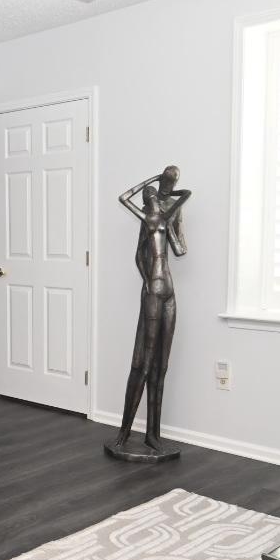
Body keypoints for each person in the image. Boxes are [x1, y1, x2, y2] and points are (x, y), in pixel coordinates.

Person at [109, 165, 190, 458]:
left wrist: (174, 223)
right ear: (147, 200)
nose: (157, 196)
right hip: (153, 291)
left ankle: (153, 436)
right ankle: (124, 432)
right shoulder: (146, 218)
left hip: (169, 290)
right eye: (153, 194)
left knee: (162, 367)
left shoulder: (165, 218)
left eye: (159, 193)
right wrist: (154, 177)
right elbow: (124, 196)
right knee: (142, 365)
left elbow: (181, 251)